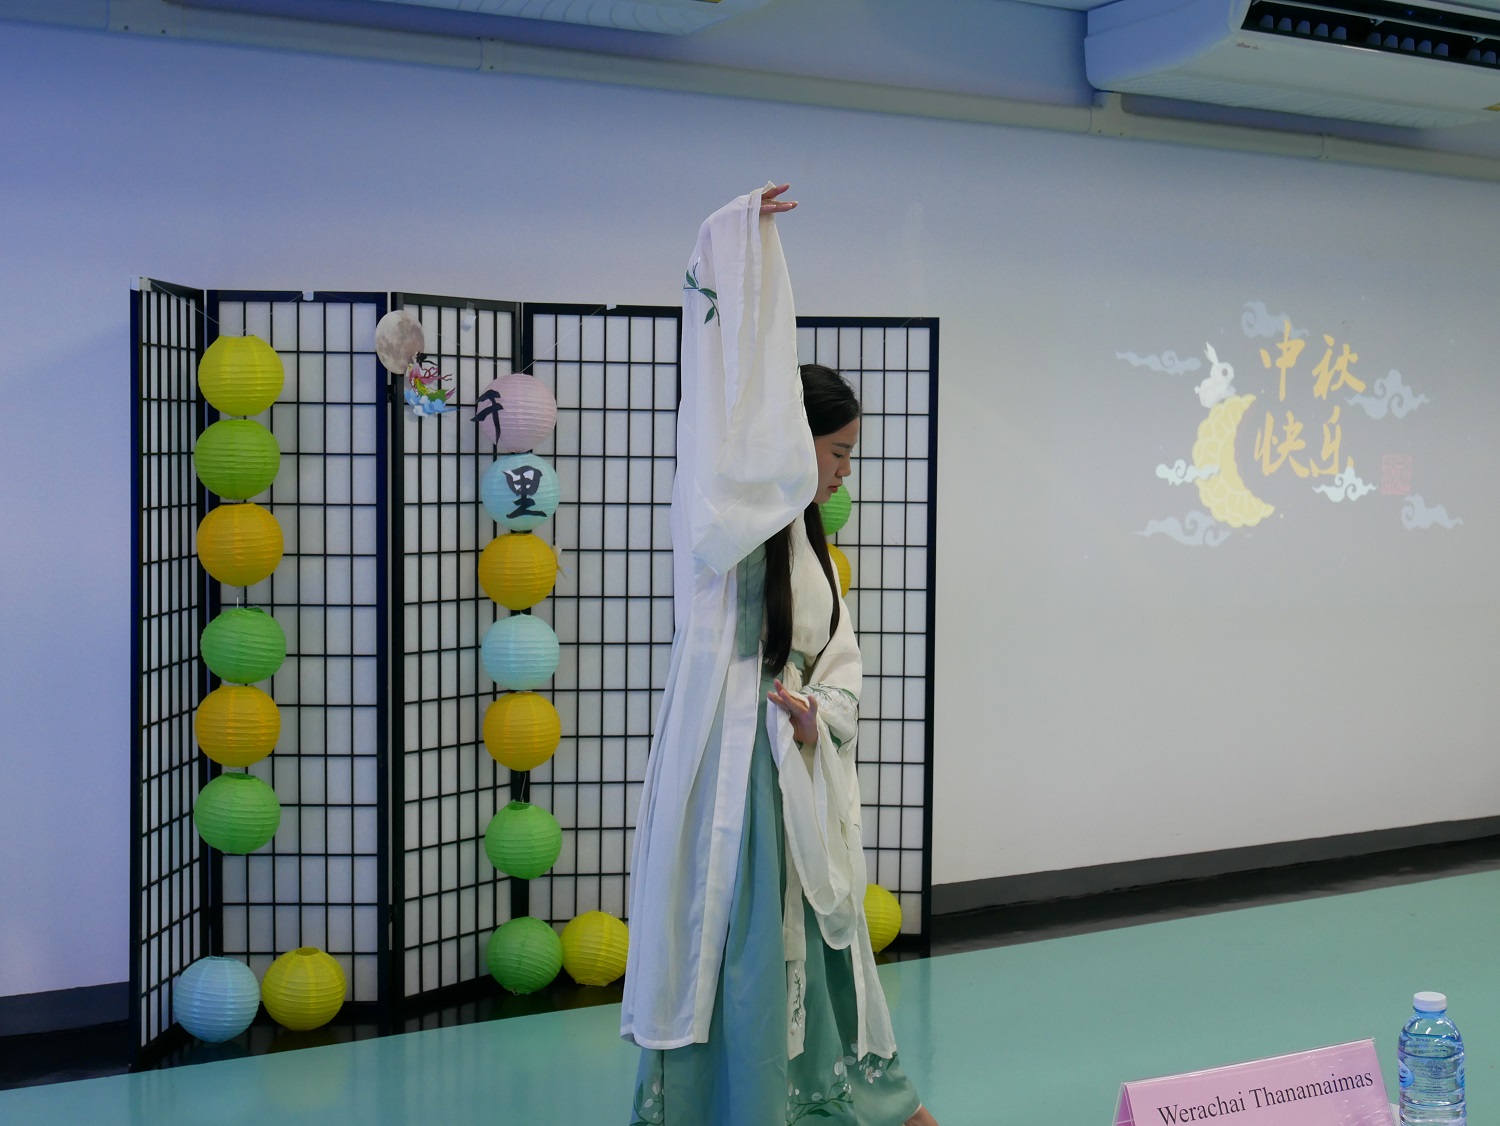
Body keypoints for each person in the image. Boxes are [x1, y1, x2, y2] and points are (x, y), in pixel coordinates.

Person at [622, 185, 939, 1126]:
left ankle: (851, 1100)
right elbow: (728, 395)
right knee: (751, 946)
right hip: (739, 772)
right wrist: (739, 245)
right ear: (790, 442)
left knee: (822, 940)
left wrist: (815, 715)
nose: (843, 470)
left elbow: (838, 662)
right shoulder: (729, 534)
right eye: (835, 452)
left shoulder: (809, 545)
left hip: (794, 765)